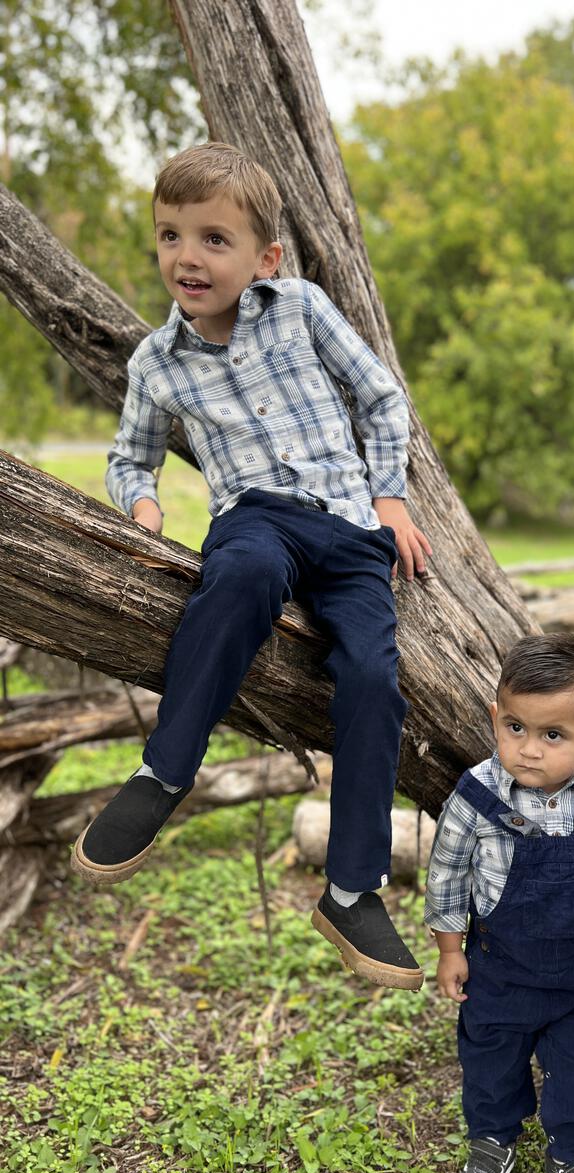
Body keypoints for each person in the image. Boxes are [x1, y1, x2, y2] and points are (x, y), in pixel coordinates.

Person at [70, 142, 432, 992]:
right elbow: (131, 460)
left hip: (349, 530)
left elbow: (380, 398)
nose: (187, 257)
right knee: (235, 578)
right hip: (255, 519)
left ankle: (351, 890)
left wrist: (391, 499)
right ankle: (164, 772)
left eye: (213, 239)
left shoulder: (300, 306)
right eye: (169, 236)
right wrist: (146, 511)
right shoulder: (156, 364)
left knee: (375, 680)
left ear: (264, 258)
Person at [425, 632, 574, 1173]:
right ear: (495, 717)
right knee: (490, 1065)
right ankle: (491, 1144)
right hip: (498, 971)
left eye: (553, 735)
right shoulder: (477, 794)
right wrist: (451, 950)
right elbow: (448, 872)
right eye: (516, 728)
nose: (530, 748)